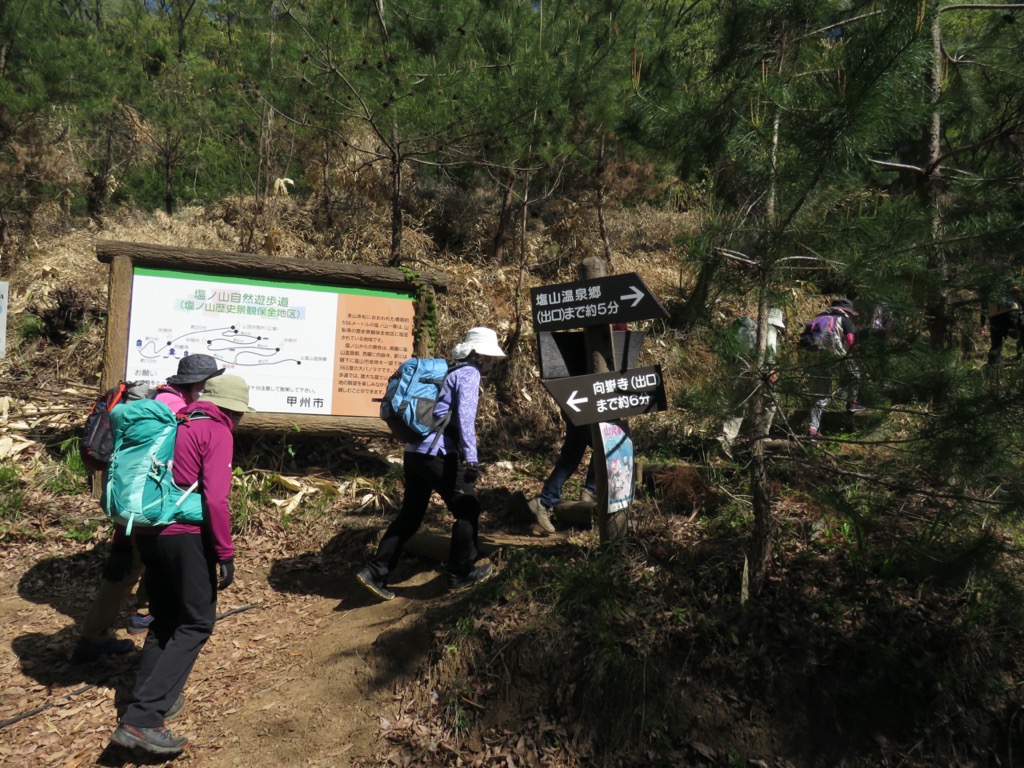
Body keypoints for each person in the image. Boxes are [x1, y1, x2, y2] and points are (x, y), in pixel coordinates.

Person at [109, 374, 251, 757]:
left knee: (166, 617)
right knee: (197, 622)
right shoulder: (217, 432)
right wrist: (224, 552)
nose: (238, 420)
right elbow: (217, 501)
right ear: (230, 409)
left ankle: (153, 697)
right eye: (238, 413)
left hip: (150, 532)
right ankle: (143, 718)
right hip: (185, 535)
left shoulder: (178, 422)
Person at [71, 354, 225, 664]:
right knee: (128, 569)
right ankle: (93, 637)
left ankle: (141, 614)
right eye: (210, 383)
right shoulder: (174, 409)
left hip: (139, 500)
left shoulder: (159, 399)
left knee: (142, 563)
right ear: (198, 384)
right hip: (151, 506)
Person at [357, 327, 506, 601]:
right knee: (467, 507)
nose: (491, 362)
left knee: (410, 516)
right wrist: (471, 458)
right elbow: (465, 419)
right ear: (479, 355)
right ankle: (461, 573)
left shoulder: (448, 369)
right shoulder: (469, 374)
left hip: (414, 453)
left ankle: (375, 572)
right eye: (489, 356)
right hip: (438, 454)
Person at [717, 308, 786, 458]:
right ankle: (760, 437)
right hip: (759, 372)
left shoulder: (747, 328)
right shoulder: (770, 330)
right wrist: (772, 371)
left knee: (737, 404)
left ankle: (725, 439)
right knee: (770, 402)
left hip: (737, 369)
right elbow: (770, 354)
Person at [804, 298, 864, 439]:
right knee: (856, 373)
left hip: (817, 359)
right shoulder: (843, 320)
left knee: (819, 395)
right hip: (836, 356)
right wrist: (858, 355)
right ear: (846, 311)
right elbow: (850, 341)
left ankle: (813, 429)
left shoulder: (817, 319)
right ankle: (852, 402)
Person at [982, 283, 1024, 366]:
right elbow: (1020, 299)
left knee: (996, 344)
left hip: (994, 318)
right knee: (1022, 333)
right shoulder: (1008, 282)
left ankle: (993, 365)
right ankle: (1021, 356)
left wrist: (982, 324)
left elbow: (983, 307)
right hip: (1011, 313)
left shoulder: (987, 288)